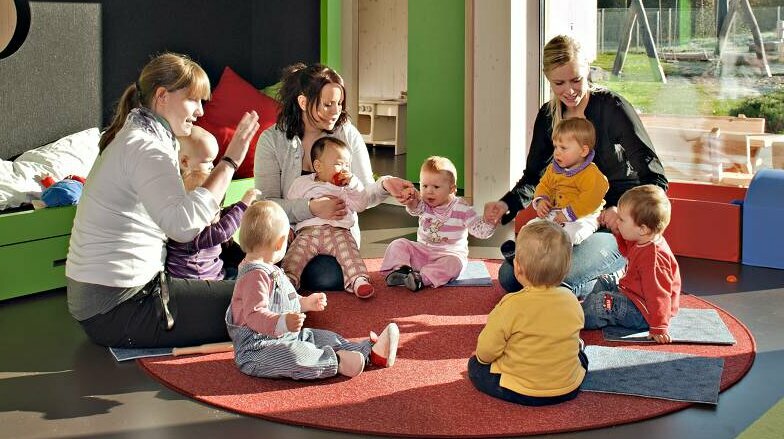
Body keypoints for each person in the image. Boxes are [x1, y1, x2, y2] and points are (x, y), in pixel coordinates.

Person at [66, 53, 261, 348]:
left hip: (107, 302)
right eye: (194, 100)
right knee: (262, 300)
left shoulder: (141, 137)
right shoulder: (146, 148)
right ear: (162, 96)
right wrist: (231, 160)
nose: (199, 112)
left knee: (255, 285)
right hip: (119, 308)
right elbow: (182, 227)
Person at [484, 34, 668, 297]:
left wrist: (624, 211)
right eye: (559, 83)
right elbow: (534, 177)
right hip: (567, 220)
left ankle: (619, 271)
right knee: (510, 276)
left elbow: (655, 178)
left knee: (556, 280)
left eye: (576, 80)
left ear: (587, 71)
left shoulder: (611, 108)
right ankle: (589, 281)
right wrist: (506, 205)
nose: (569, 90)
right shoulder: (548, 116)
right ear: (548, 79)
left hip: (612, 224)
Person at [254, 62, 414, 291]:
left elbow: (363, 196)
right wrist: (312, 208)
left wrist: (385, 184)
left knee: (327, 276)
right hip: (290, 236)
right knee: (312, 273)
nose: (335, 111)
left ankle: (290, 277)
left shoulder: (346, 133)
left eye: (339, 103)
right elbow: (266, 205)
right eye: (327, 104)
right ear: (303, 102)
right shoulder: (272, 141)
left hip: (339, 236)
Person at [226, 200, 399, 379]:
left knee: (323, 338)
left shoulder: (271, 269)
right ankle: (337, 362)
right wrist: (283, 322)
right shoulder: (254, 276)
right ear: (280, 243)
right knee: (294, 356)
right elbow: (254, 315)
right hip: (257, 350)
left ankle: (370, 352)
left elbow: (282, 300)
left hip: (285, 336)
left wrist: (304, 303)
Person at [468, 221, 587, 406]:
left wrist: (481, 358)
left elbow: (487, 350)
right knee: (580, 356)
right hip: (568, 388)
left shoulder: (511, 304)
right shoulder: (572, 300)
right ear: (566, 269)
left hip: (521, 390)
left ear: (517, 267)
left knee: (475, 366)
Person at [581, 185, 681, 344]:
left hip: (643, 313)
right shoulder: (643, 239)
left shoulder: (654, 259)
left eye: (622, 219)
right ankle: (585, 309)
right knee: (604, 280)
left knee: (602, 302)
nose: (618, 222)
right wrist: (617, 231)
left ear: (642, 229)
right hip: (633, 294)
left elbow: (659, 294)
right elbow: (627, 251)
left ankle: (573, 319)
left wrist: (659, 327)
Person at [381, 156, 496, 292]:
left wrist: (489, 221)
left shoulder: (462, 208)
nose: (429, 191)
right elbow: (414, 209)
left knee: (453, 265)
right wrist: (411, 200)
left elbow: (479, 231)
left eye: (436, 187)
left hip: (448, 255)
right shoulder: (424, 203)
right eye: (424, 186)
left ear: (452, 189)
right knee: (398, 244)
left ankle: (421, 278)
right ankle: (402, 271)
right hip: (423, 252)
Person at [282, 137, 374, 298]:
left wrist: (353, 183)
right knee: (294, 256)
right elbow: (291, 208)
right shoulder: (301, 183)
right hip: (307, 233)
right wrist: (288, 227)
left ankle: (358, 280)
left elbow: (361, 204)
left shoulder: (346, 188)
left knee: (349, 253)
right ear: (318, 166)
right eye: (339, 164)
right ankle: (287, 283)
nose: (344, 169)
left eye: (347, 165)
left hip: (339, 232)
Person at [165, 127, 259, 280]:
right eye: (208, 162)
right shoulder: (191, 230)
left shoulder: (189, 191)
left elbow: (219, 215)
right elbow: (222, 231)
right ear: (184, 161)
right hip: (201, 282)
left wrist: (239, 207)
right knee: (241, 278)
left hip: (213, 269)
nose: (212, 167)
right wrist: (242, 206)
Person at [528, 117, 608, 245]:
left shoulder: (591, 173)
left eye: (563, 148)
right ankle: (534, 255)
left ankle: (556, 258)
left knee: (567, 235)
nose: (557, 153)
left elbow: (591, 198)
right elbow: (544, 185)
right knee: (530, 229)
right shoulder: (552, 169)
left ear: (583, 151)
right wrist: (542, 200)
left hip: (583, 217)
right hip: (556, 212)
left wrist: (569, 214)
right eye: (555, 147)